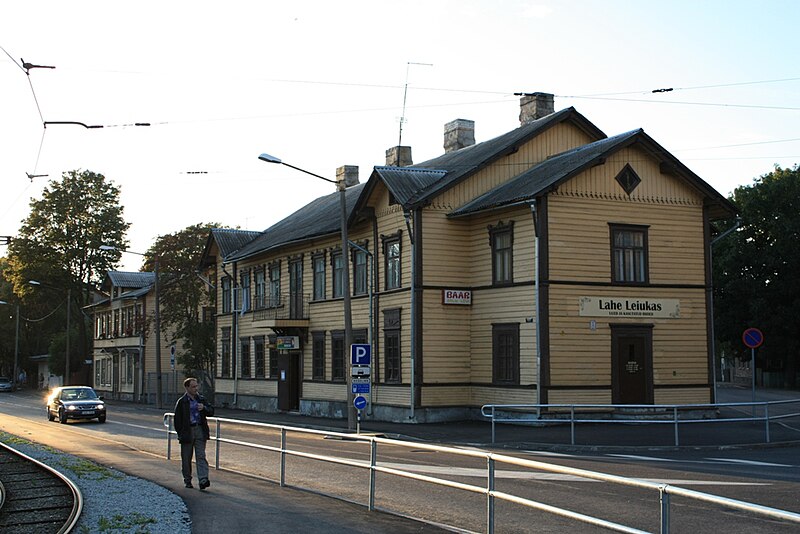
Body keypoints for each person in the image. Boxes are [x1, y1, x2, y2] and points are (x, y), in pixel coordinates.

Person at [173, 377, 214, 489]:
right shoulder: (182, 402)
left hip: (200, 429)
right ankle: (187, 480)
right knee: (186, 458)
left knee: (201, 456)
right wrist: (181, 433)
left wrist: (204, 408)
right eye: (193, 387)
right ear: (187, 388)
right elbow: (177, 420)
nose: (196, 389)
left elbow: (211, 411)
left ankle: (203, 480)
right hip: (187, 431)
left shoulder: (201, 399)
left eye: (197, 386)